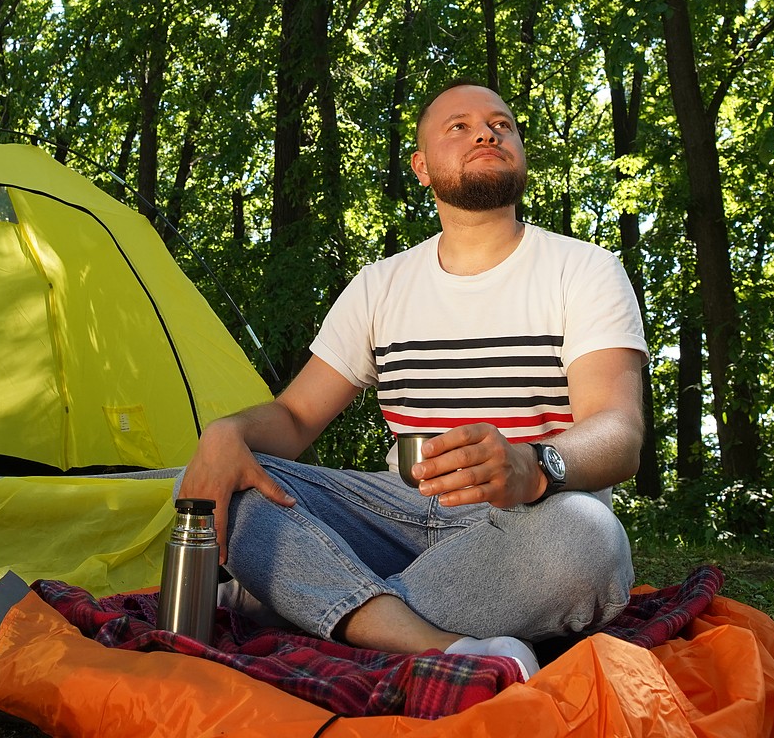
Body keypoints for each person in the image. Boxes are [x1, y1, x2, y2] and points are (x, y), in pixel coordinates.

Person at [177, 79, 647, 678]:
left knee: (591, 543)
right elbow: (294, 420)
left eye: (501, 125)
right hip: (397, 512)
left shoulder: (584, 269)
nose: (485, 132)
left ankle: (315, 602)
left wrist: (534, 465)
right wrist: (226, 433)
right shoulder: (381, 285)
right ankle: (427, 641)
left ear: (522, 152)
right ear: (421, 168)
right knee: (216, 480)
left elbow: (619, 430)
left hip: (522, 528)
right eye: (459, 125)